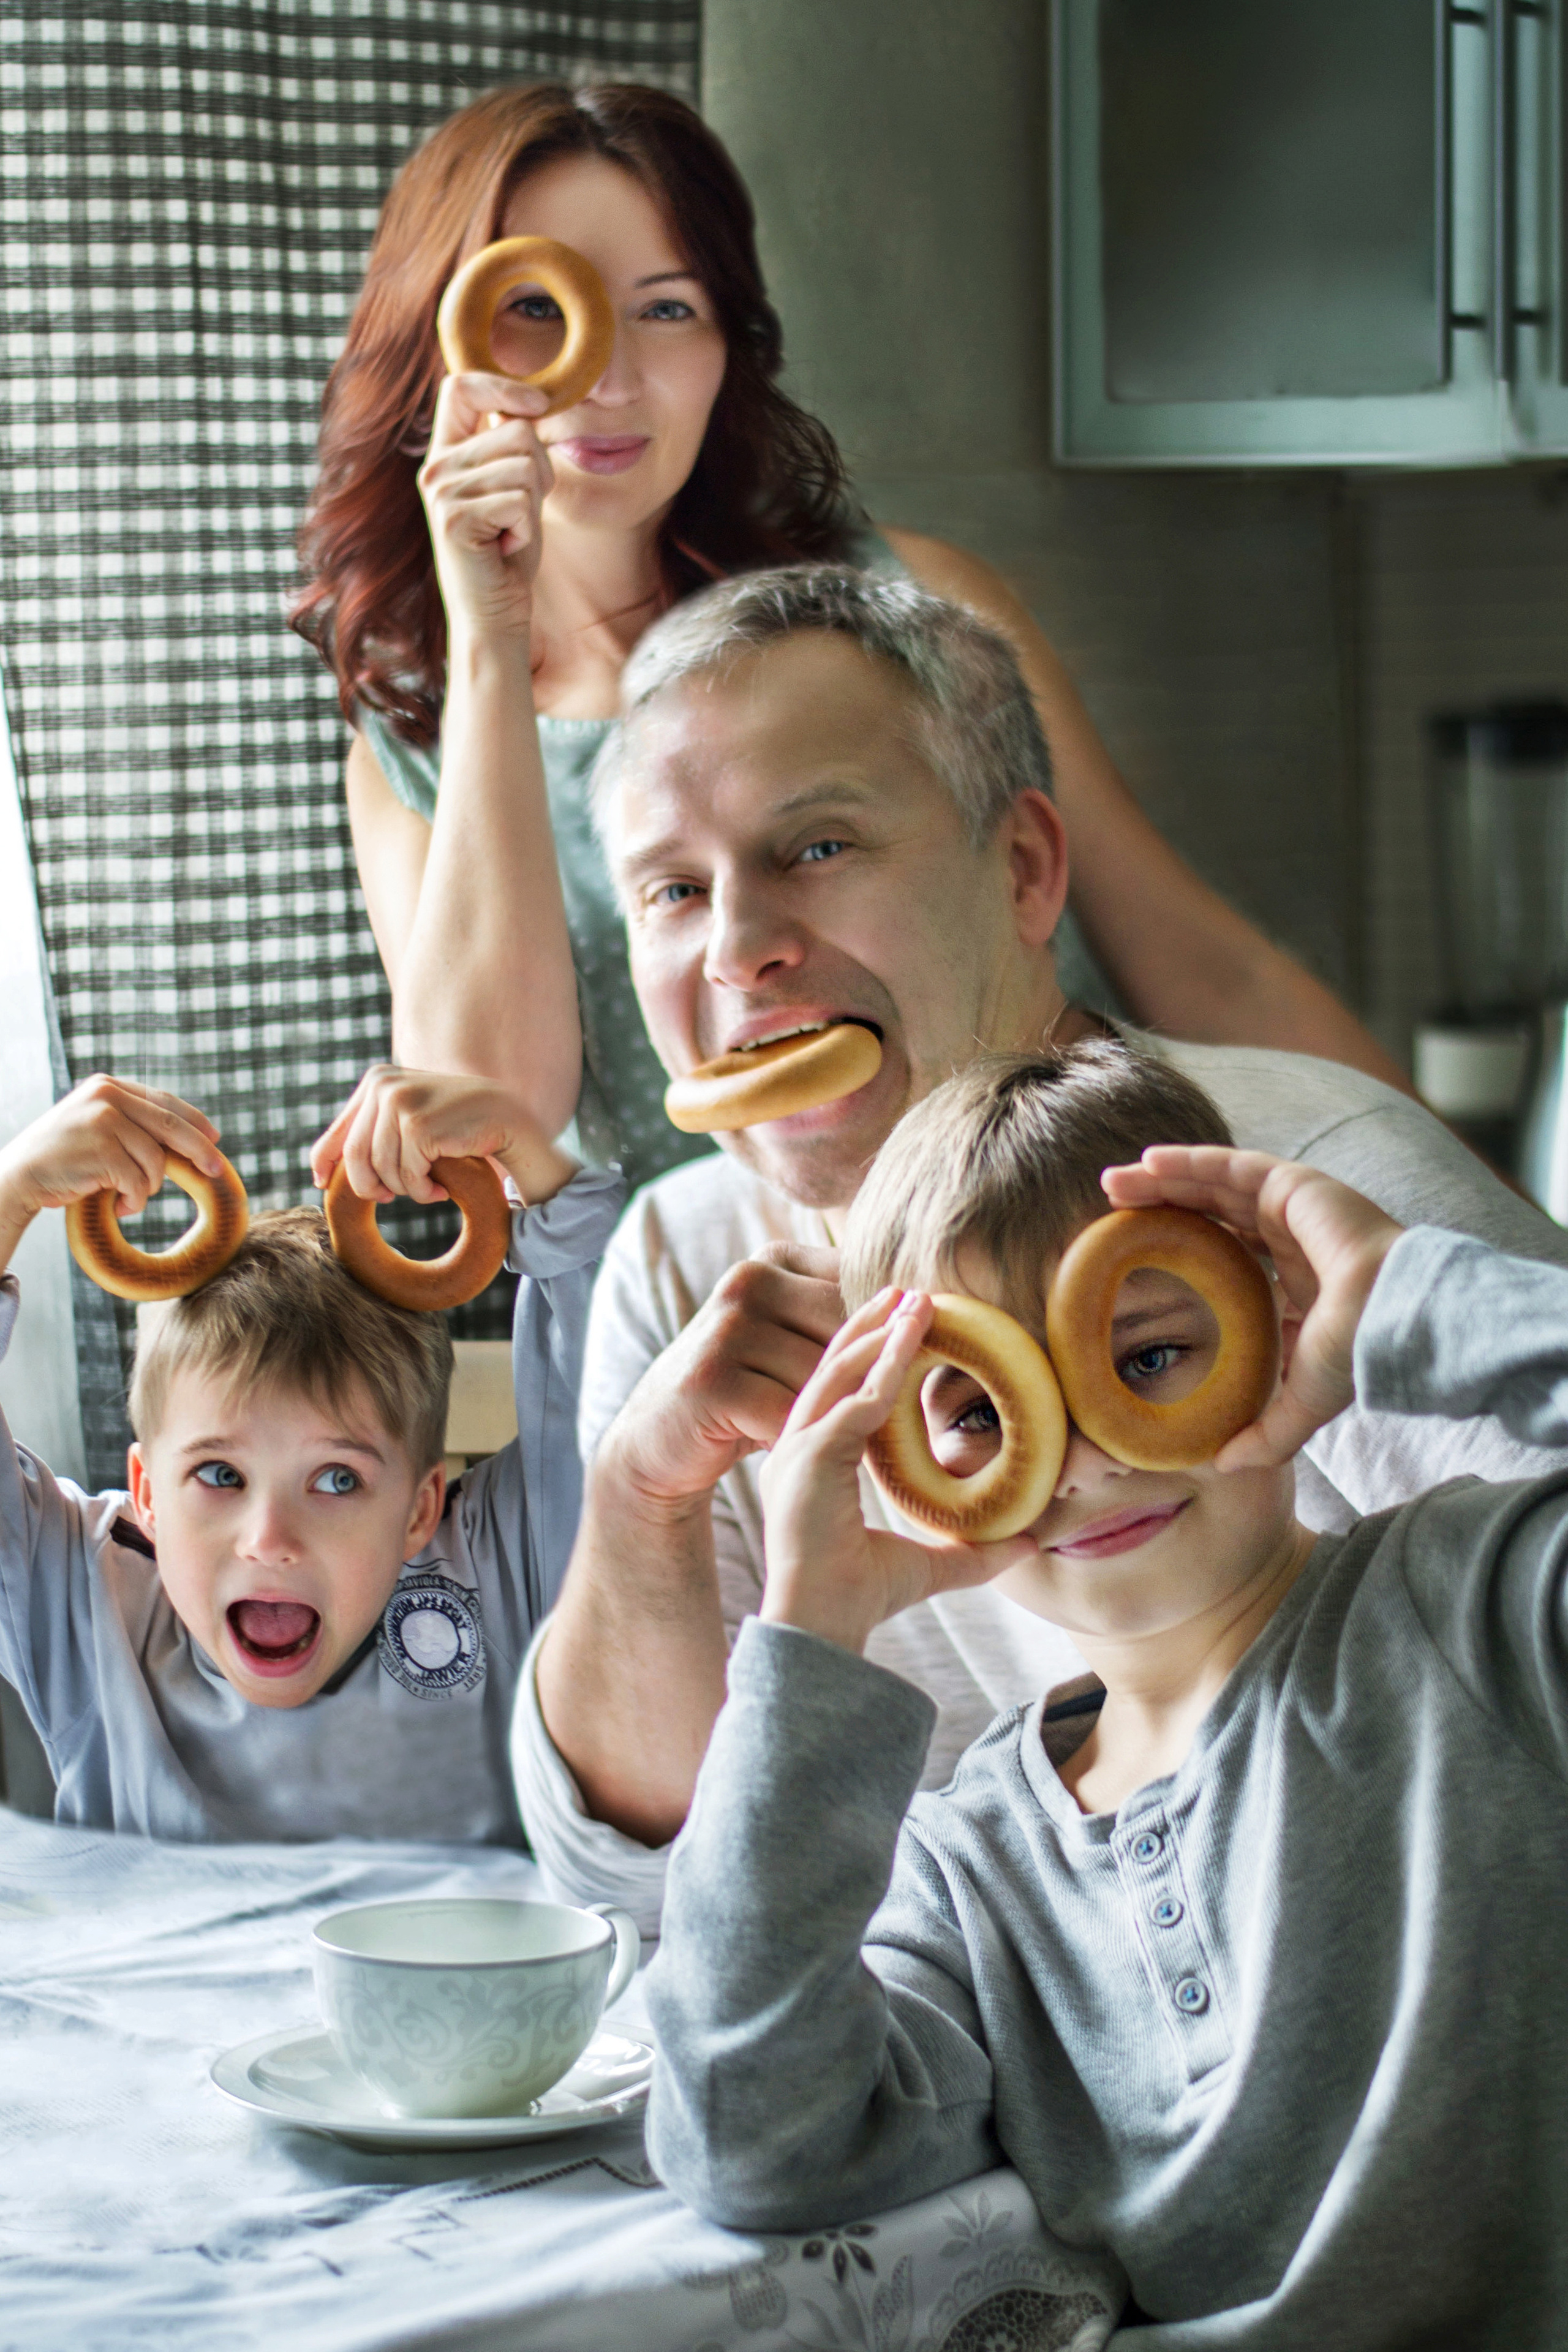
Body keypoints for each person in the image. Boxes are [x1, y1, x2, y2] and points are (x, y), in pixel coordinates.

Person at [508, 567, 1568, 1935]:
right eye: (672, 890)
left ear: (1022, 870)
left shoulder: (1311, 1199)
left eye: (816, 847)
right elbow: (637, 1882)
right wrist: (641, 1498)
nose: (739, 950)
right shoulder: (683, 1257)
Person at [290, 79, 1408, 1193]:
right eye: (536, 306)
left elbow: (1204, 969)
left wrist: (1455, 1218)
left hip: (1063, 1227)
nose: (613, 378)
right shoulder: (414, 755)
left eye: (670, 309)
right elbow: (484, 1138)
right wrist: (490, 642)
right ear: (438, 341)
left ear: (729, 344)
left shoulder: (910, 603)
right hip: (705, 1296)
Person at [643, 1046, 1568, 2345]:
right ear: (899, 1459)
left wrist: (1402, 1294)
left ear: (1273, 1329)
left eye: (1149, 1358)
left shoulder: (1475, 1612)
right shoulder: (971, 1869)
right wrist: (806, 1630)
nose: (1079, 1456)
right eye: (982, 1409)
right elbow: (748, 2139)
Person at [0, 1066, 621, 1842]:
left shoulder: (499, 1564)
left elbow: (623, 1405)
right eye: (220, 1474)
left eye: (337, 1479)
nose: (270, 1541)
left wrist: (525, 1148)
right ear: (148, 1495)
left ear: (419, 1509)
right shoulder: (86, 1606)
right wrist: (11, 1192)